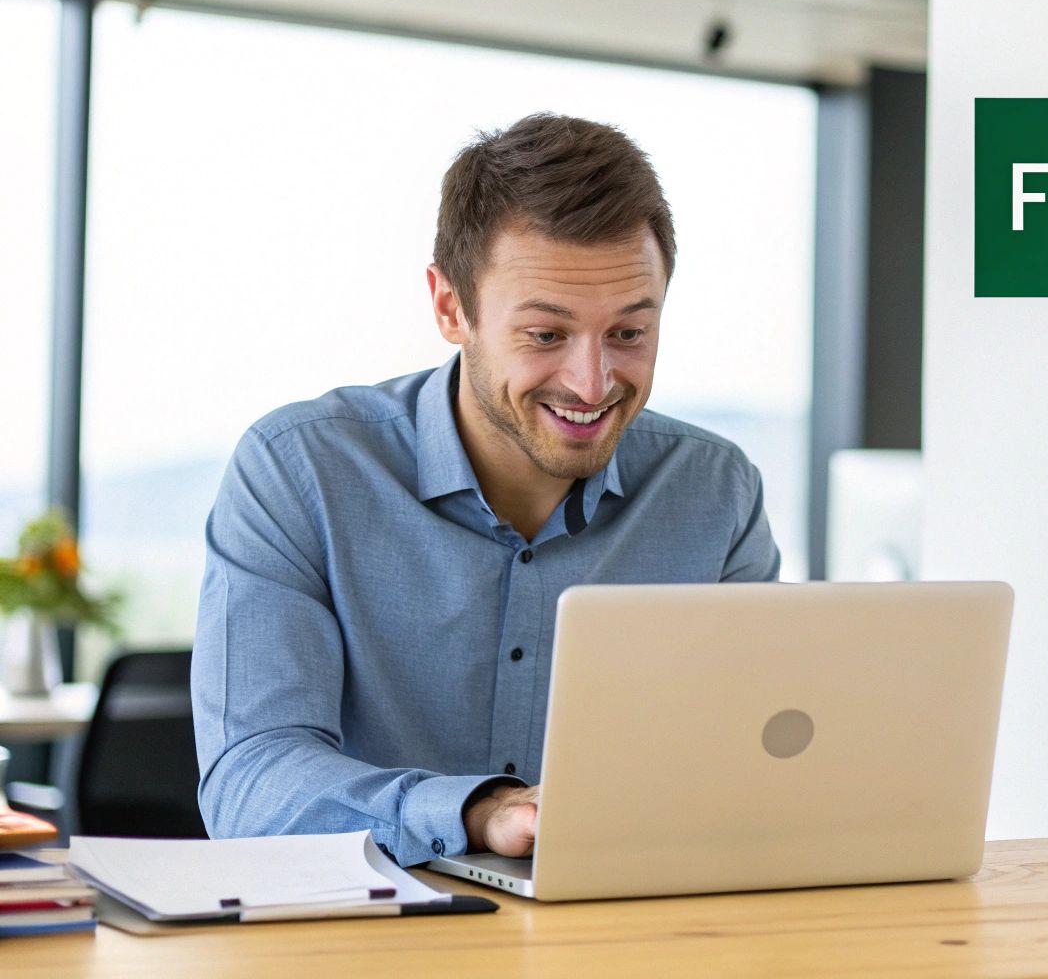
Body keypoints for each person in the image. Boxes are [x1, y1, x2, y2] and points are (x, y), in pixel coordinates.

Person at [191, 113, 780, 866]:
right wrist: (476, 812)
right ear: (450, 308)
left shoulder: (713, 491)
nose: (592, 382)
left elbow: (754, 761)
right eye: (545, 335)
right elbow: (251, 787)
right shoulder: (300, 470)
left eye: (629, 334)